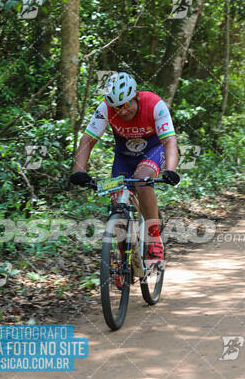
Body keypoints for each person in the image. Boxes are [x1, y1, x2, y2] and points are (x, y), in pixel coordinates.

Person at [70, 72, 180, 262]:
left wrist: (171, 170)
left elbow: (169, 141)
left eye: (125, 104)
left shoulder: (155, 104)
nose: (121, 111)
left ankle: (154, 239)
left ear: (136, 95)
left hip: (153, 150)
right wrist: (79, 171)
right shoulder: (105, 109)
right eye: (116, 107)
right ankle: (124, 258)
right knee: (116, 202)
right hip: (124, 156)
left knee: (142, 181)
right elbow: (87, 140)